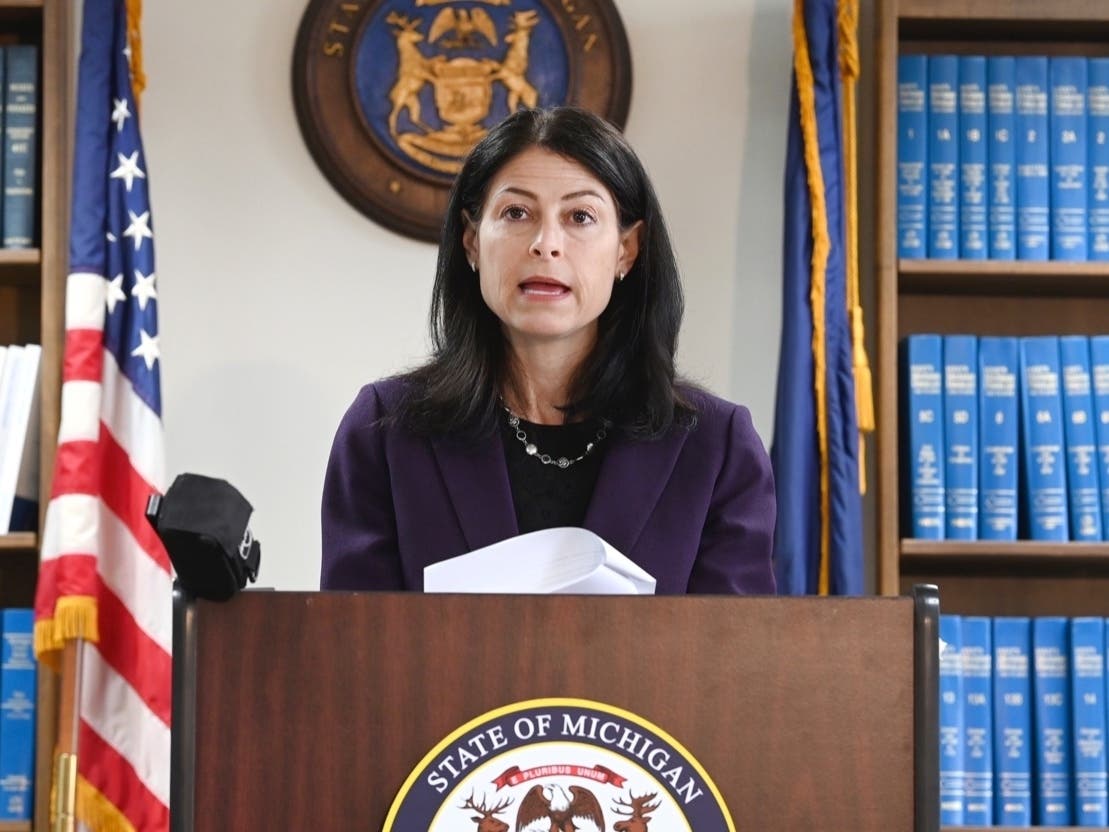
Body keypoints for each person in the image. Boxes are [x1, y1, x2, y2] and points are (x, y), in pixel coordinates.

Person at [321, 106, 776, 594]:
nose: (546, 244)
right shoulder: (385, 431)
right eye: (516, 213)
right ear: (472, 242)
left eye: (580, 216)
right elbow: (354, 652)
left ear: (627, 249)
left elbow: (737, 660)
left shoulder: (715, 446)